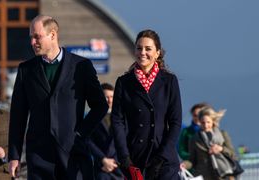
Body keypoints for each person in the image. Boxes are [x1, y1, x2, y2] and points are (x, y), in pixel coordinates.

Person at [8, 15, 108, 180]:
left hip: (73, 153)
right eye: (31, 38)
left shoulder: (81, 67)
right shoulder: (26, 70)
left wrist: (81, 134)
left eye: (37, 37)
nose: (32, 42)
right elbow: (18, 116)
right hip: (39, 156)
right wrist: (14, 155)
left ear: (52, 35)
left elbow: (100, 106)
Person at [111, 29, 182, 180]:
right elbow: (117, 121)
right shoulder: (124, 82)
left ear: (157, 53)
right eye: (139, 48)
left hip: (163, 159)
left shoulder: (169, 81)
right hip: (135, 159)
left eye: (148, 49)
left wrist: (162, 156)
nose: (142, 52)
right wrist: (124, 156)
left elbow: (175, 122)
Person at [181, 106, 238, 180]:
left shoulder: (222, 135)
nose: (205, 125)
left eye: (208, 122)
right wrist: (184, 164)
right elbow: (192, 160)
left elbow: (232, 154)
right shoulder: (194, 139)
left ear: (213, 121)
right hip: (204, 176)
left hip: (224, 175)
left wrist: (221, 149)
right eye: (203, 122)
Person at [89, 83, 123, 180]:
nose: (110, 100)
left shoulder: (122, 117)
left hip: (119, 167)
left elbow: (126, 140)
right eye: (106, 97)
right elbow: (88, 141)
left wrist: (114, 161)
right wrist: (103, 159)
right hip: (101, 168)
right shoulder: (92, 117)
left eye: (112, 96)